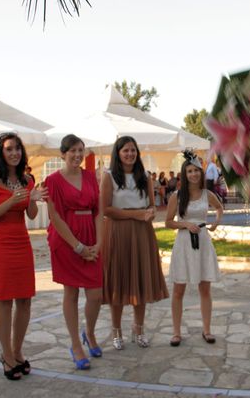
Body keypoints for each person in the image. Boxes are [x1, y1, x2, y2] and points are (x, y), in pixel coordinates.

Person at [0, 132, 47, 381]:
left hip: (21, 242)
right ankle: (6, 355)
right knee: (4, 301)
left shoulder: (27, 179)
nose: (14, 153)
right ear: (1, 152)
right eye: (9, 149)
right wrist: (11, 201)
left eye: (18, 149)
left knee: (25, 300)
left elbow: (30, 215)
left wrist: (32, 198)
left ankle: (18, 351)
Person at [100, 136, 169, 350]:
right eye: (125, 150)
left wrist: (148, 213)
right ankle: (116, 331)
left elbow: (152, 206)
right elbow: (106, 210)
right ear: (118, 153)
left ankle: (138, 329)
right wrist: (138, 214)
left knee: (140, 280)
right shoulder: (109, 176)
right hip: (118, 232)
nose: (130, 154)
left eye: (133, 150)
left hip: (142, 233)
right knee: (119, 282)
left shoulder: (145, 176)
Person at [44, 134, 103, 371]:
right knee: (71, 293)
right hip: (66, 240)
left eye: (81, 150)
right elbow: (55, 216)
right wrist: (77, 247)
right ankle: (76, 345)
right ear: (63, 153)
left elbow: (99, 211)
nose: (77, 155)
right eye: (72, 151)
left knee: (96, 294)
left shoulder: (91, 177)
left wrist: (98, 243)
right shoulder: (52, 181)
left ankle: (88, 332)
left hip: (91, 233)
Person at [165, 151, 223, 346]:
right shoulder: (177, 196)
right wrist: (185, 224)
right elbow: (168, 222)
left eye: (196, 171)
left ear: (201, 172)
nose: (193, 174)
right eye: (189, 171)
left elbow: (219, 208)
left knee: (205, 289)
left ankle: (207, 330)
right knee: (178, 289)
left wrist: (215, 223)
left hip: (203, 243)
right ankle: (176, 332)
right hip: (183, 244)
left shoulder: (208, 194)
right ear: (185, 173)